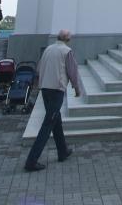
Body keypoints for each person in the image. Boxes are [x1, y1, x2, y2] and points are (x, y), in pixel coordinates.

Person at [24, 29, 84, 172]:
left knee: (55, 119)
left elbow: (39, 68)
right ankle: (31, 161)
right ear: (68, 39)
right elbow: (73, 71)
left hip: (45, 88)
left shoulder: (48, 49)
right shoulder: (66, 51)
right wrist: (77, 88)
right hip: (57, 89)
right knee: (48, 123)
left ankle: (62, 151)